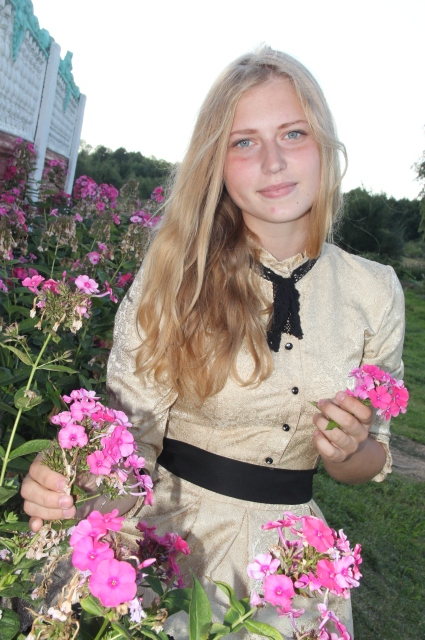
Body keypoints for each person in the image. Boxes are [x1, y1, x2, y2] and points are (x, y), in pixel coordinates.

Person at [21, 46, 405, 638]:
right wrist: (70, 482)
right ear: (217, 162)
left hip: (291, 573)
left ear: (325, 146)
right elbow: (132, 434)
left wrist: (347, 452)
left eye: (294, 133)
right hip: (170, 543)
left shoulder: (375, 291)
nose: (273, 162)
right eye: (244, 142)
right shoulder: (178, 271)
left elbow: (373, 456)